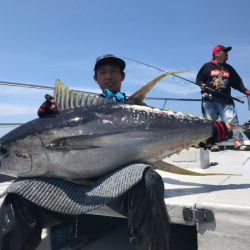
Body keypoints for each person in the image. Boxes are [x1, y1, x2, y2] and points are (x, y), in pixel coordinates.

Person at [196, 45, 250, 151]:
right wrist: (201, 85)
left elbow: (237, 82)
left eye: (226, 52)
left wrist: (245, 91)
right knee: (210, 122)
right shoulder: (207, 66)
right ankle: (212, 142)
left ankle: (237, 142)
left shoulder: (229, 68)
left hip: (226, 100)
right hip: (209, 100)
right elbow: (199, 79)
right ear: (216, 54)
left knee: (232, 121)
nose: (226, 54)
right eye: (224, 51)